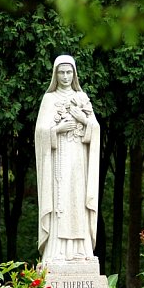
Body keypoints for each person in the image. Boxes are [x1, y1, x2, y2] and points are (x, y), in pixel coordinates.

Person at [34, 54, 100, 263]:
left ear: (74, 74)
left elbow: (96, 128)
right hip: (58, 159)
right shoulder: (49, 99)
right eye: (61, 72)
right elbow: (40, 132)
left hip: (79, 158)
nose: (65, 76)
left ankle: (80, 250)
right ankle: (57, 252)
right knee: (60, 200)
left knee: (77, 200)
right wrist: (58, 129)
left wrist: (83, 120)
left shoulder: (82, 97)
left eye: (68, 72)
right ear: (55, 74)